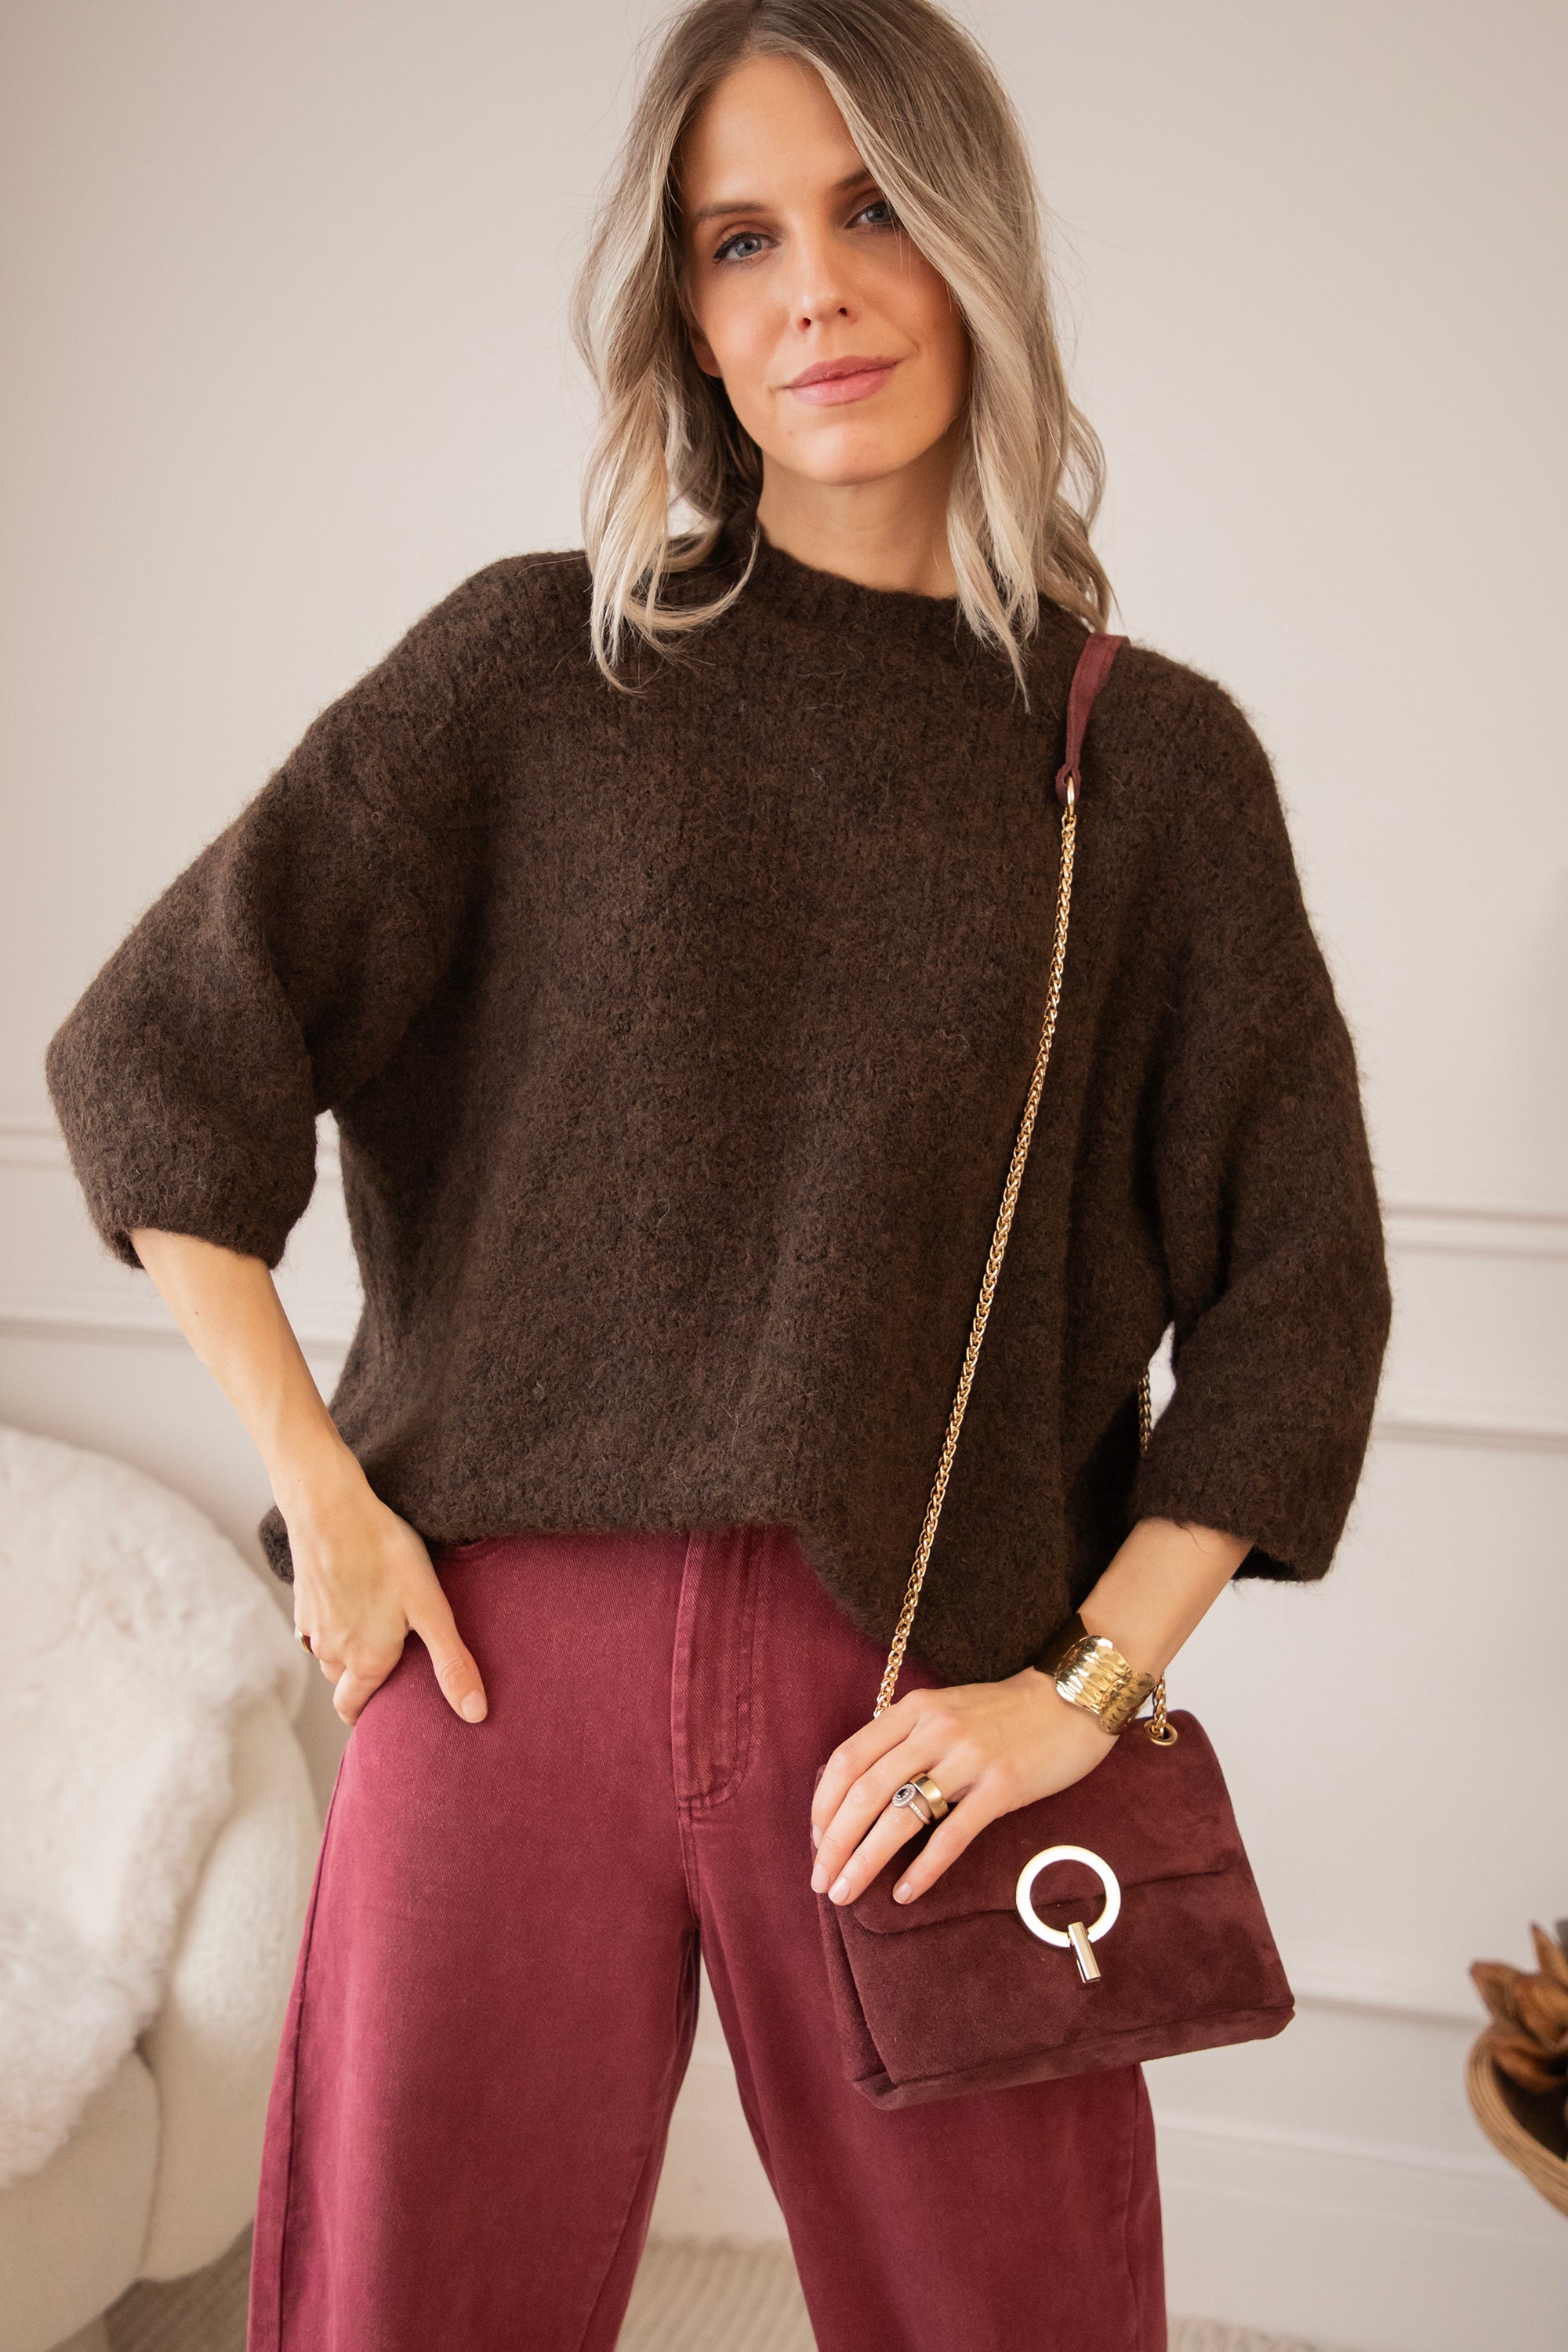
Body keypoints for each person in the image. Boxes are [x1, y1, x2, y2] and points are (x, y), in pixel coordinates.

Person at [44, 2, 1392, 2346]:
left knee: (1013, 2317)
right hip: (491, 1672)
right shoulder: (531, 676)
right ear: (681, 305)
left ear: (975, 242)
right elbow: (163, 1059)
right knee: (410, 2312)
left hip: (920, 1703)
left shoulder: (1149, 772)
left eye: (873, 212)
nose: (815, 290)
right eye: (739, 238)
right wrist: (324, 1502)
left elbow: (1300, 1294)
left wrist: (1084, 1689)